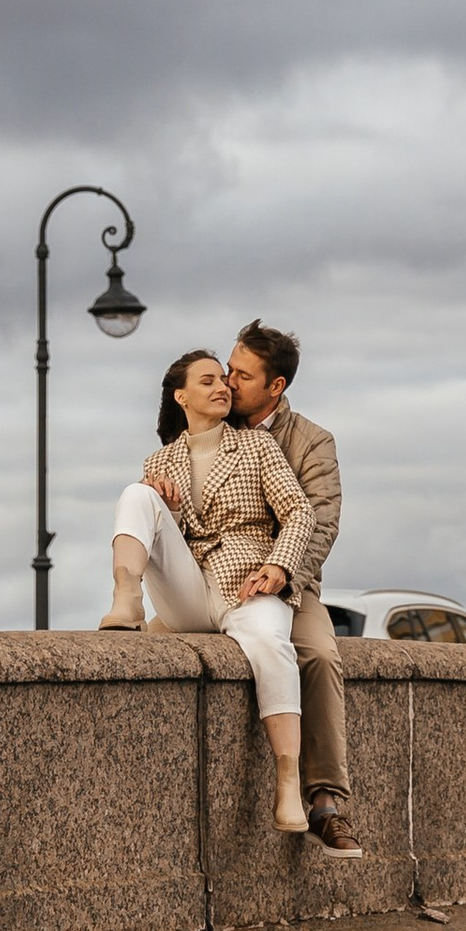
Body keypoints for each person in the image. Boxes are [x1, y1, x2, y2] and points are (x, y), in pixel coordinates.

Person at [100, 345, 325, 837]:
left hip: (246, 583)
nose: (221, 387)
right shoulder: (160, 461)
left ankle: (287, 782)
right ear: (181, 396)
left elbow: (300, 512)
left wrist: (279, 565)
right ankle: (125, 597)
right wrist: (170, 510)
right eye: (207, 381)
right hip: (188, 592)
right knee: (137, 495)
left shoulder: (257, 447)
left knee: (272, 646)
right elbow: (170, 534)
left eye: (223, 380)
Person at [221, 326, 358, 855]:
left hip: (286, 586)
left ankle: (325, 803)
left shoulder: (312, 441)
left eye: (242, 374)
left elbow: (321, 523)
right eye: (230, 368)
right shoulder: (212, 419)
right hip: (216, 579)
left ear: (275, 385)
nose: (229, 382)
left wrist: (283, 576)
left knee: (321, 654)